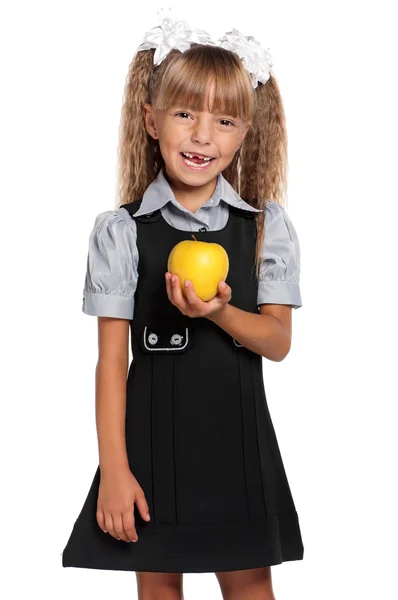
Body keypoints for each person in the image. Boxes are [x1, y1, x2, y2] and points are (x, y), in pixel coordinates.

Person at [61, 12, 304, 600]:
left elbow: (277, 343)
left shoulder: (264, 228)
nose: (202, 136)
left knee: (250, 590)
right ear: (151, 119)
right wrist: (114, 472)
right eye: (184, 114)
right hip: (152, 444)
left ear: (245, 131)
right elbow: (111, 365)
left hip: (238, 444)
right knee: (159, 590)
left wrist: (219, 313)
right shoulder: (122, 232)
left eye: (224, 120)